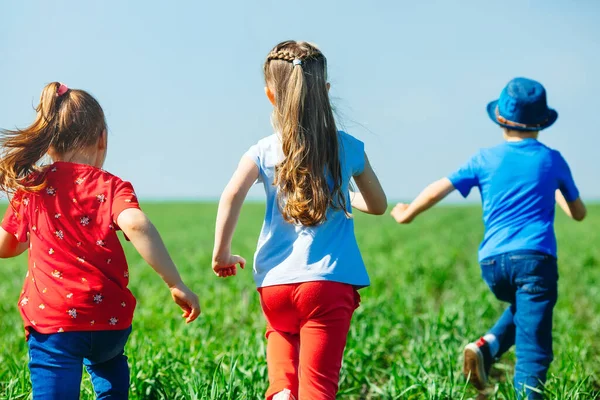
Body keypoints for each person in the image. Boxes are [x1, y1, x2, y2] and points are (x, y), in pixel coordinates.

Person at [0, 82, 201, 400]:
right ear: (102, 140)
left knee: (55, 382)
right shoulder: (111, 187)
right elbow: (134, 222)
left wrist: (32, 233)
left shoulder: (33, 188)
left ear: (48, 145)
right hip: (109, 321)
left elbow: (5, 245)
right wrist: (175, 282)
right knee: (109, 366)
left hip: (54, 321)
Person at [212, 41, 387, 400]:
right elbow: (378, 204)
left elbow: (231, 194)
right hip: (327, 283)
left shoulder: (262, 150)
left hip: (274, 286)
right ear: (324, 92)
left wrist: (222, 254)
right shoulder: (349, 147)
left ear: (270, 95)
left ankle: (280, 391)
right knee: (318, 389)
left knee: (280, 334)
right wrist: (342, 195)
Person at [391, 77, 586, 399]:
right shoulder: (551, 159)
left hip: (493, 263)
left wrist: (407, 212)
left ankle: (487, 346)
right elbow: (578, 212)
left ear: (501, 119)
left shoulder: (484, 158)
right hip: (535, 261)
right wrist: (558, 192)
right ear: (542, 123)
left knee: (525, 310)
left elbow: (442, 185)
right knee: (533, 351)